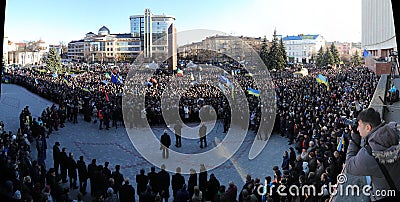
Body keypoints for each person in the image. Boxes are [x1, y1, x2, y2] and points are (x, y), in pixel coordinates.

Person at [345, 108, 400, 201]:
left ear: (368, 128)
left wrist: (354, 136)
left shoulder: (369, 155)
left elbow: (349, 166)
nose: (357, 128)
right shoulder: (395, 128)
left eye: (358, 125)